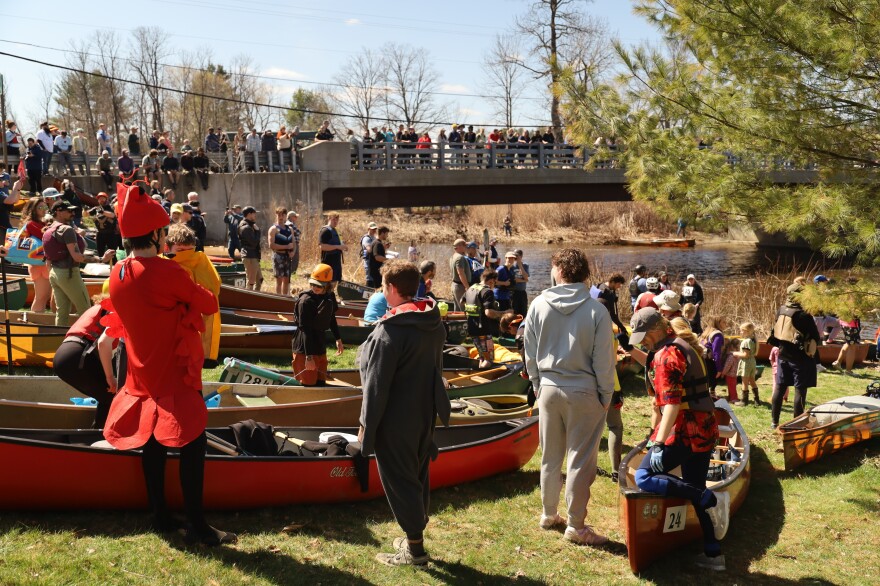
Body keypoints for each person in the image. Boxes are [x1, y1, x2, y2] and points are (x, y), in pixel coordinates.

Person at [101, 183, 234, 545]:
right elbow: (208, 303)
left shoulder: (118, 272)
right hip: (174, 372)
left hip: (141, 373)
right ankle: (198, 526)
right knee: (193, 444)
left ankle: (160, 514)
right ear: (158, 234)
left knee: (153, 444)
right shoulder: (167, 272)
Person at [357, 260, 450, 566]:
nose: (383, 292)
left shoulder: (389, 332)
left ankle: (415, 548)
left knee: (401, 481)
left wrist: (366, 429)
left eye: (384, 287)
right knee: (418, 474)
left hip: (395, 420)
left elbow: (375, 387)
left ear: (392, 289)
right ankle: (415, 532)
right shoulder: (432, 322)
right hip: (425, 413)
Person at [523, 248, 614, 546]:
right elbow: (604, 360)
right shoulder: (596, 310)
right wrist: (606, 395)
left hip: (548, 388)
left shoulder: (537, 304)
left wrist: (538, 384)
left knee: (550, 455)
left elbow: (530, 352)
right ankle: (575, 525)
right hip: (584, 390)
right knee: (580, 460)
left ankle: (549, 513)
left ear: (559, 270)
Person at [628, 308, 730, 571]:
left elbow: (671, 405)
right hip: (706, 426)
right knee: (693, 482)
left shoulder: (666, 355)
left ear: (655, 331)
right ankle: (713, 554)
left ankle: (710, 498)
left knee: (644, 477)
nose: (641, 342)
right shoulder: (681, 344)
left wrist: (659, 442)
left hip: (685, 429)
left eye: (643, 337)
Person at [53, 296, 118, 428]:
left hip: (63, 354)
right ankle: (98, 438)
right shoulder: (118, 309)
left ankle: (97, 434)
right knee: (113, 397)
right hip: (78, 356)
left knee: (106, 394)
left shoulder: (99, 308)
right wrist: (110, 377)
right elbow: (103, 344)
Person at [44, 200, 108, 326]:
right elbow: (77, 257)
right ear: (58, 212)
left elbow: (48, 260)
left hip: (54, 273)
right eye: (69, 211)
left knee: (61, 312)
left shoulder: (49, 229)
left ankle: (59, 341)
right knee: (86, 310)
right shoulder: (67, 230)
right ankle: (87, 340)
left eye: (73, 210)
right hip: (68, 274)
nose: (72, 213)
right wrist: (101, 259)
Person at [165, 223, 221, 367]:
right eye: (180, 250)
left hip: (193, 327)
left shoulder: (201, 261)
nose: (186, 255)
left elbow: (212, 291)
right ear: (167, 248)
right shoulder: (161, 263)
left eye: (189, 250)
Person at [768, 282, 821, 428]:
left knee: (779, 388)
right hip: (801, 358)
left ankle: (774, 422)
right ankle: (796, 425)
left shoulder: (781, 310)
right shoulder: (804, 315)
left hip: (783, 356)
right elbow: (816, 338)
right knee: (800, 391)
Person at [291, 264, 344, 386]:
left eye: (319, 285)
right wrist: (308, 358)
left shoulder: (329, 296)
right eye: (312, 284)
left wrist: (338, 338)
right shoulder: (305, 301)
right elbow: (306, 330)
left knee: (321, 382)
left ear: (328, 285)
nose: (315, 287)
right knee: (308, 385)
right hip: (304, 348)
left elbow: (331, 317)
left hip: (319, 345)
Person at [464, 270, 508, 368]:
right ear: (492, 281)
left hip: (472, 328)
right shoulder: (487, 291)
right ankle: (489, 379)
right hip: (483, 330)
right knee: (489, 359)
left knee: (482, 356)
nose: (494, 285)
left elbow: (462, 301)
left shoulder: (471, 288)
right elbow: (488, 313)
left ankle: (480, 372)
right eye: (495, 283)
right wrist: (504, 313)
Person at [19, 196, 51, 312]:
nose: (44, 209)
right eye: (40, 207)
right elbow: (45, 237)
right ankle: (35, 321)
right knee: (41, 297)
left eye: (45, 206)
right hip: (38, 264)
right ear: (33, 209)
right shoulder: (31, 224)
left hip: (41, 263)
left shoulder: (41, 223)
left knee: (44, 296)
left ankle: (38, 319)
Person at [594, 273, 630, 350]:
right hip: (602, 322)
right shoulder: (609, 294)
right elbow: (613, 315)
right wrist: (622, 327)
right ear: (613, 282)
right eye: (618, 284)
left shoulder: (599, 285)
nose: (619, 286)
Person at [268, 207, 296, 296]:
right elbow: (271, 245)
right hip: (278, 255)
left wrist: (293, 252)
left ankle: (285, 298)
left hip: (287, 256)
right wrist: (286, 246)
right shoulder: (273, 229)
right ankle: (278, 298)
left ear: (285, 216)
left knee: (286, 279)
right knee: (279, 280)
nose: (280, 217)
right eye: (279, 215)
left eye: (282, 215)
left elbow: (294, 243)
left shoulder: (290, 229)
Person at [700, 316, 729, 399]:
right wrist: (719, 368)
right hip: (710, 361)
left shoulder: (706, 333)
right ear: (718, 323)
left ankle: (709, 393)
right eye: (723, 322)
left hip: (702, 359)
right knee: (713, 379)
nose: (726, 324)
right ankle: (711, 395)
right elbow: (716, 352)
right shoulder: (717, 335)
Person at [733, 322, 759, 405]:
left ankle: (744, 401)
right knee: (752, 380)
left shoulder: (746, 342)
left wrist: (735, 353)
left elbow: (745, 355)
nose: (740, 332)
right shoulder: (753, 340)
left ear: (747, 331)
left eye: (741, 331)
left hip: (746, 363)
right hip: (752, 362)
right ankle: (757, 400)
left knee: (744, 382)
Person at [238, 206, 263, 290]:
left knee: (259, 279)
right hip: (249, 256)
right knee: (251, 282)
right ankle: (248, 300)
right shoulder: (245, 227)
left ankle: (256, 298)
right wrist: (257, 231)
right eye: (254, 214)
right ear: (249, 214)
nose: (255, 215)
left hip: (253, 256)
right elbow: (253, 242)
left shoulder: (250, 225)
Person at [88, 192, 121, 256]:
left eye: (103, 198)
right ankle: (102, 263)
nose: (101, 200)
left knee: (112, 253)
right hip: (100, 234)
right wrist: (85, 211)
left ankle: (113, 265)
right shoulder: (96, 209)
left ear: (106, 199)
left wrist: (102, 212)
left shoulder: (111, 207)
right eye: (100, 199)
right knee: (100, 253)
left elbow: (113, 215)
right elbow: (86, 214)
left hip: (111, 234)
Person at [319, 212, 346, 284]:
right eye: (334, 219)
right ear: (329, 218)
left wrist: (344, 247)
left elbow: (340, 243)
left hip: (337, 261)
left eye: (337, 220)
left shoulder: (336, 231)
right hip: (328, 261)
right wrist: (337, 247)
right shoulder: (325, 231)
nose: (335, 221)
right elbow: (322, 247)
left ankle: (330, 294)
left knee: (335, 281)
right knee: (327, 283)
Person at [449, 238, 472, 311]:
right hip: (460, 287)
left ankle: (456, 322)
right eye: (464, 245)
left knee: (457, 309)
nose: (466, 247)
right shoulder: (460, 258)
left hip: (455, 285)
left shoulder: (453, 256)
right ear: (459, 247)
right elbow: (460, 273)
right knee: (463, 309)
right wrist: (467, 287)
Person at [510, 249, 530, 317]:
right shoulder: (511, 266)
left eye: (517, 256)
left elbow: (526, 276)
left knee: (523, 311)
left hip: (522, 292)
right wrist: (524, 280)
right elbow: (514, 280)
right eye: (514, 255)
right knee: (515, 312)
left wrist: (520, 265)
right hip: (514, 292)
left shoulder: (525, 265)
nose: (515, 257)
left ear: (521, 256)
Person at [286, 211, 301, 275]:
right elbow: (298, 232)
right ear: (291, 217)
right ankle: (292, 272)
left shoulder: (286, 223)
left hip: (289, 243)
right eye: (295, 217)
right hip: (293, 244)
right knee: (295, 258)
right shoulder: (290, 224)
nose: (296, 218)